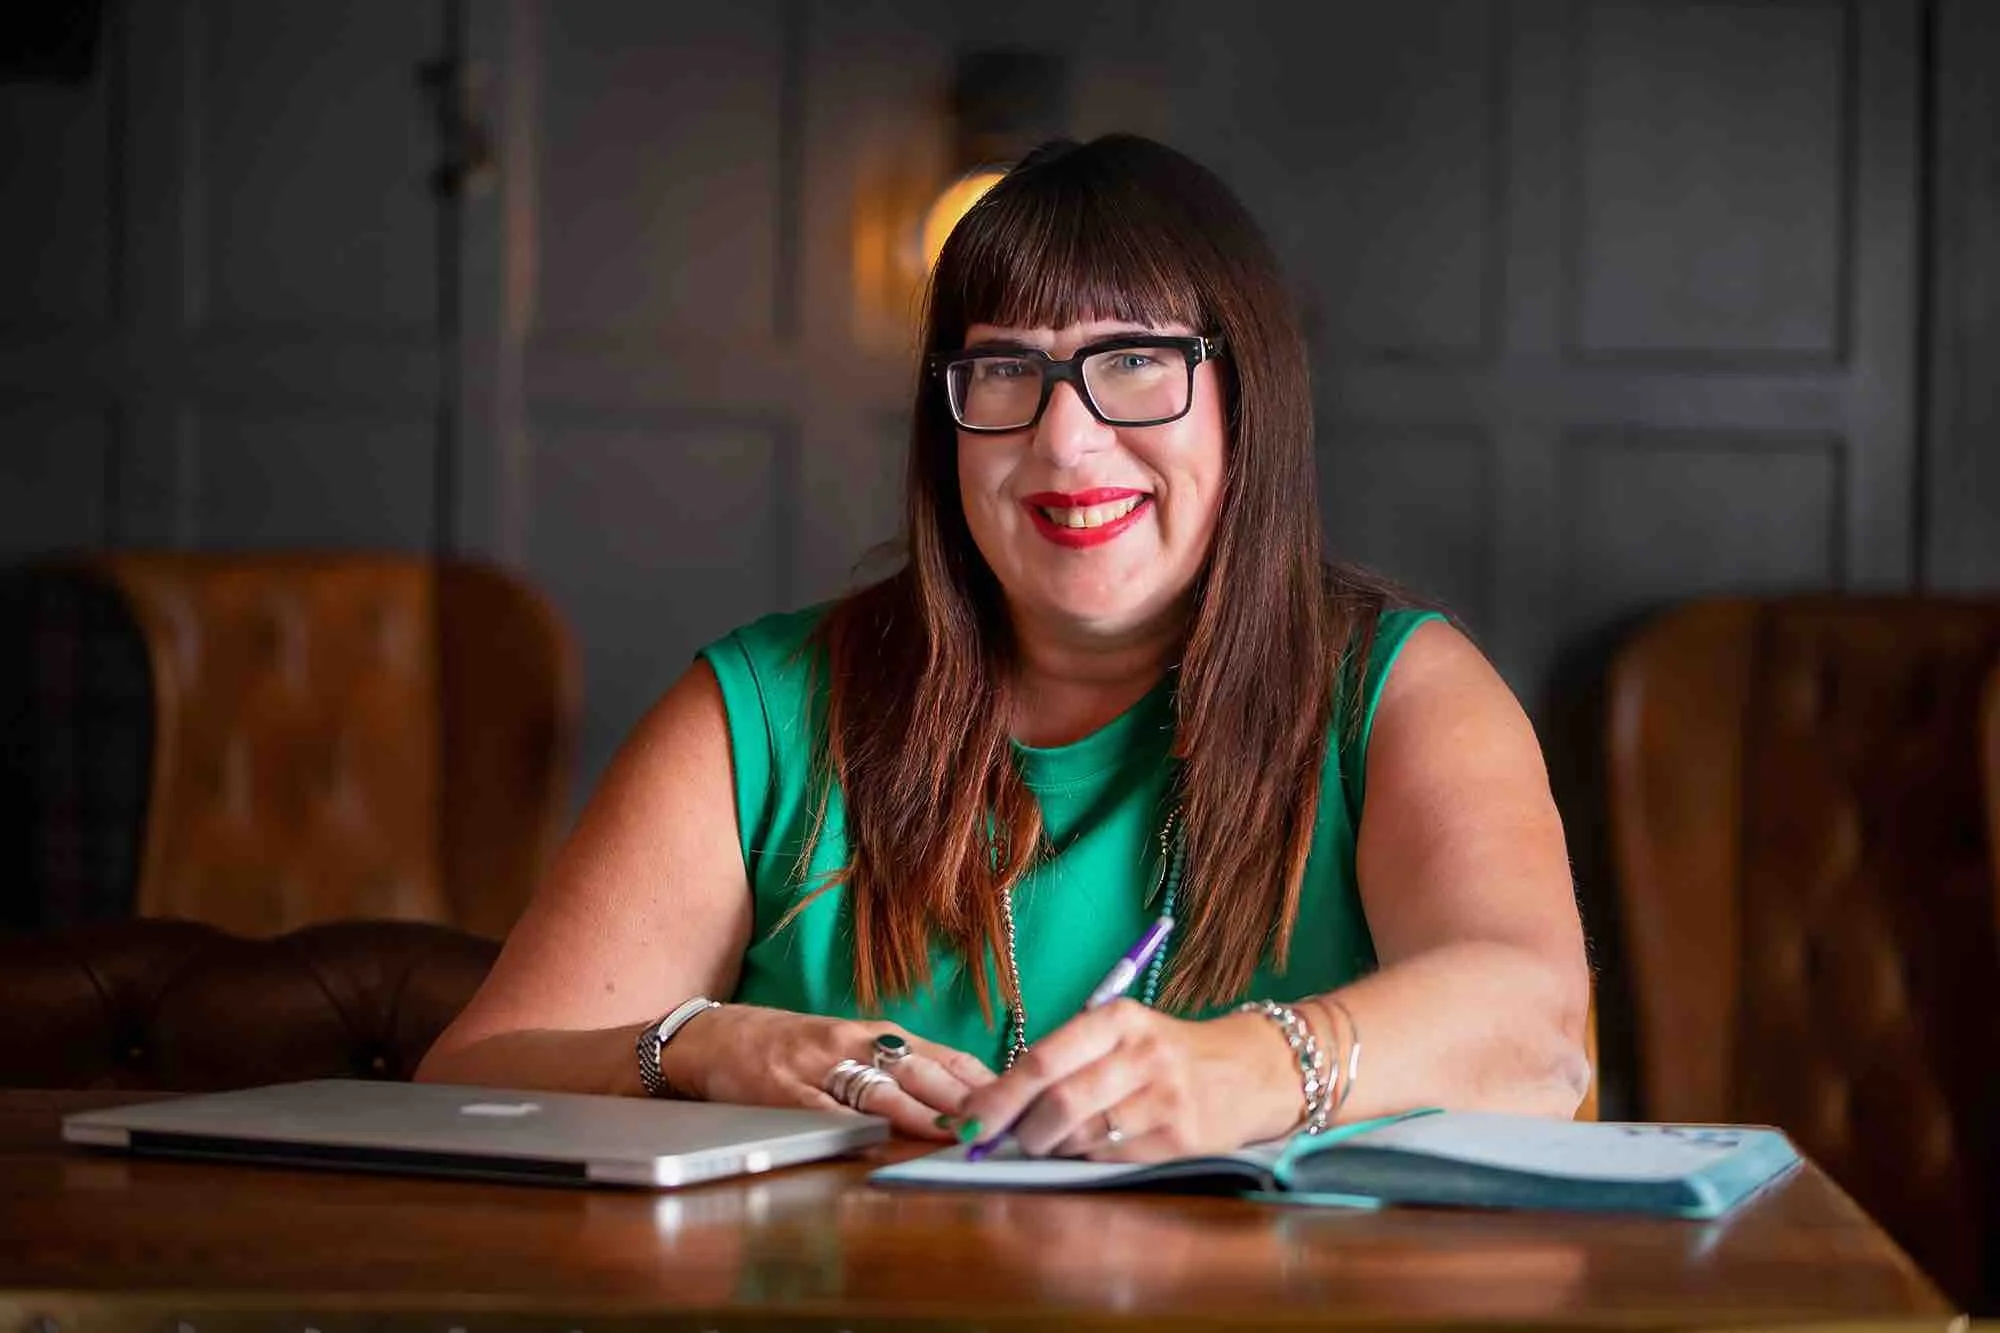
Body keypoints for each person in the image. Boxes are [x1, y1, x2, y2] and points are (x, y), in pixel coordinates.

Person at [416, 134, 1591, 1161]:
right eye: (1003, 371)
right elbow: (473, 1075)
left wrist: (1251, 1069)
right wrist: (695, 1044)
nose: (1065, 441)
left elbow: (1537, 1036)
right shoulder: (762, 707)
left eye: (1134, 361)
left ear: (1246, 397)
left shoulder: (1399, 690)